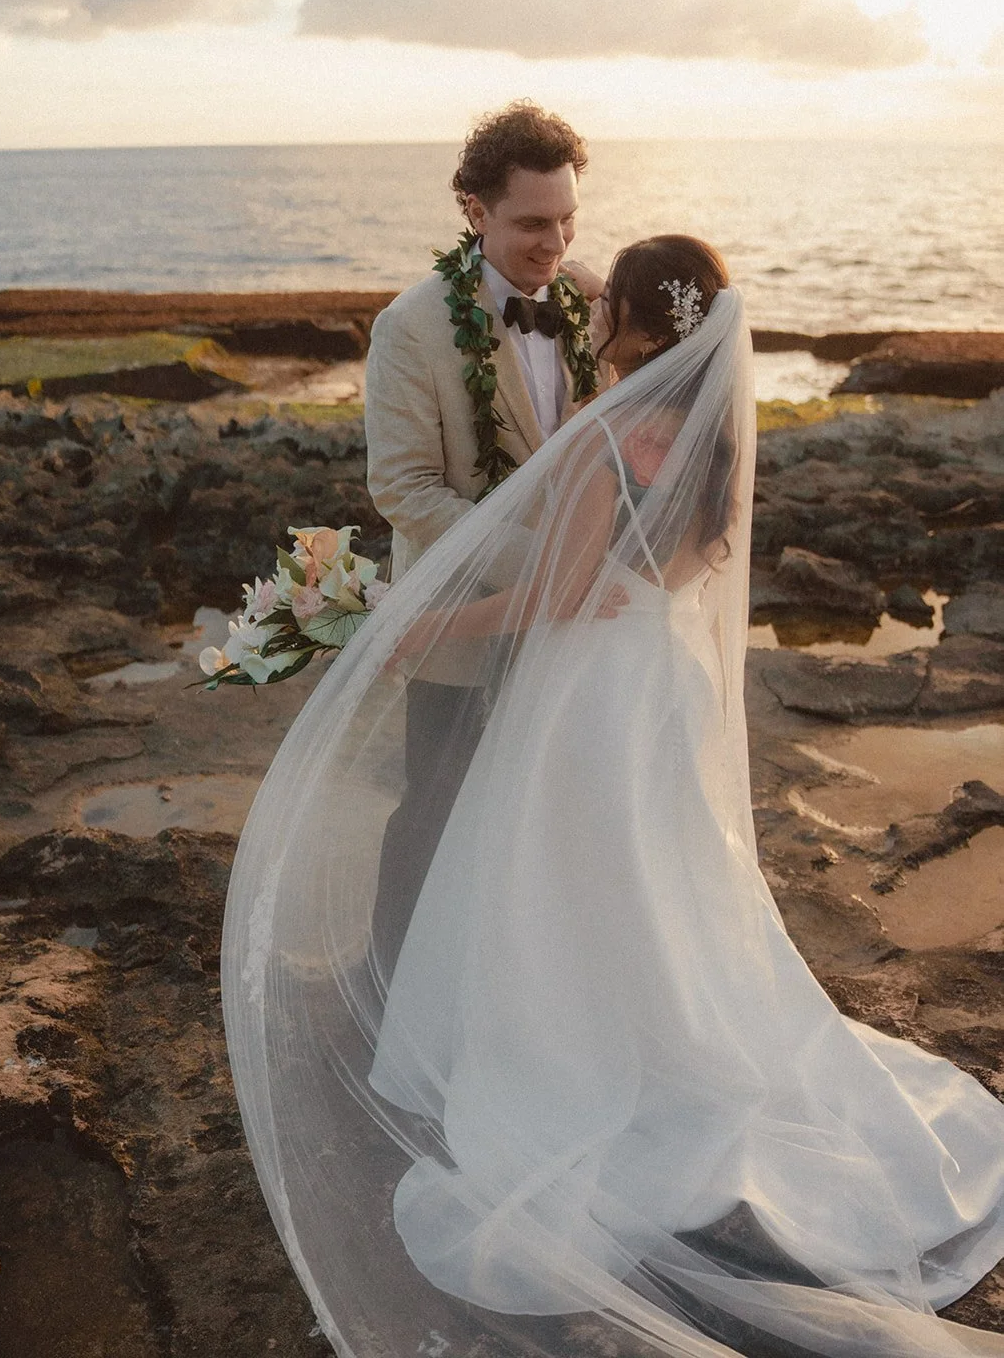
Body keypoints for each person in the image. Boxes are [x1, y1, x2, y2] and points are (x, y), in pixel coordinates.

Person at [223, 235, 1004, 1358]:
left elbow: (561, 593)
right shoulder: (707, 430)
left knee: (564, 879)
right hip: (660, 684)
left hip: (587, 695)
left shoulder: (604, 440)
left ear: (626, 316)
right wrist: (609, 289)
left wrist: (420, 624)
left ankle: (582, 1049)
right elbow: (660, 570)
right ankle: (662, 1032)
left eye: (603, 302)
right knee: (657, 875)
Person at [363, 100, 604, 984]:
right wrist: (541, 569)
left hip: (574, 625)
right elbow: (402, 487)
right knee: (435, 809)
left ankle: (507, 984)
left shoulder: (585, 303)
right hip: (462, 620)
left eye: (567, 217)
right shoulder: (411, 326)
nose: (555, 241)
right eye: (532, 222)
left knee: (543, 813)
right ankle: (390, 981)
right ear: (473, 210)